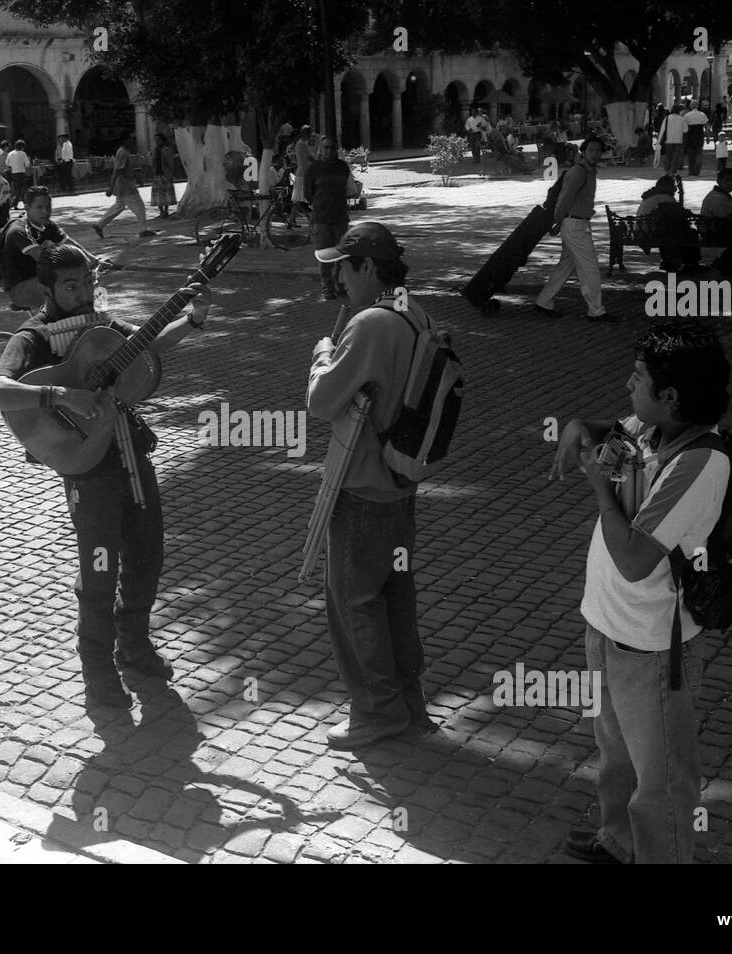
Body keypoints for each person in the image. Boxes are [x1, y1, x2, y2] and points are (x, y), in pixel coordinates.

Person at [0, 244, 210, 708]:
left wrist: (194, 318)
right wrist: (60, 394)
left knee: (147, 553)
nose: (83, 293)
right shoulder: (33, 337)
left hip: (130, 453)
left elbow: (146, 344)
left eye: (86, 282)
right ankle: (97, 668)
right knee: (100, 568)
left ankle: (135, 644)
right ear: (47, 290)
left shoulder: (100, 323)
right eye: (71, 286)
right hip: (88, 466)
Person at [550, 317, 731, 865]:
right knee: (616, 753)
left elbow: (633, 559)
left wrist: (601, 491)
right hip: (608, 626)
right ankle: (618, 840)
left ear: (670, 395)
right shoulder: (654, 429)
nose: (629, 387)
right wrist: (582, 424)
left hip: (652, 646)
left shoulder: (701, 462)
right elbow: (618, 433)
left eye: (637, 378)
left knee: (665, 777)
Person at [307, 222, 436, 749]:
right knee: (394, 595)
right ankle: (409, 702)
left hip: (360, 484)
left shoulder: (367, 324)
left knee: (354, 601)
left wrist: (320, 354)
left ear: (365, 268)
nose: (336, 274)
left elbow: (321, 402)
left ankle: (376, 711)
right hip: (400, 481)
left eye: (342, 264)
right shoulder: (414, 310)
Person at [535, 137, 610, 321]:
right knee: (590, 268)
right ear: (583, 152)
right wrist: (558, 221)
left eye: (598, 150)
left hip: (578, 224)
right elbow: (564, 199)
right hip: (574, 225)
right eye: (591, 150)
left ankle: (543, 302)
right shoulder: (579, 172)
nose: (595, 153)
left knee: (565, 267)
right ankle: (596, 310)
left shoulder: (588, 171)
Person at [304, 136, 352, 300]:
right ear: (320, 149)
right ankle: (327, 288)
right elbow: (307, 194)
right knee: (325, 255)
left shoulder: (343, 167)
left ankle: (340, 285)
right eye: (326, 147)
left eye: (332, 148)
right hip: (321, 218)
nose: (329, 151)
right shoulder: (313, 169)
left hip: (340, 217)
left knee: (341, 255)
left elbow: (347, 189)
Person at [93, 134, 155, 239]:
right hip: (126, 186)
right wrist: (111, 187)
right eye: (130, 139)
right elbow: (118, 170)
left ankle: (100, 225)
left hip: (123, 185)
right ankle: (143, 230)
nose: (132, 141)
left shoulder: (124, 152)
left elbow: (121, 169)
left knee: (119, 206)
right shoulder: (122, 153)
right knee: (139, 207)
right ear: (124, 140)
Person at [636, 175, 700, 273]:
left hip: (643, 229)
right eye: (673, 186)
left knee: (675, 230)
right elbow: (676, 216)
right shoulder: (665, 198)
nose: (675, 189)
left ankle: (669, 260)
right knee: (689, 233)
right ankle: (689, 263)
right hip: (653, 231)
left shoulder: (649, 195)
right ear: (666, 187)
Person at [290, 125, 316, 227]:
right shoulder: (302, 144)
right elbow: (311, 158)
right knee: (304, 198)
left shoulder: (301, 143)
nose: (310, 134)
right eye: (309, 132)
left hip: (302, 173)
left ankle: (292, 219)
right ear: (305, 133)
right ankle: (311, 217)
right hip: (304, 174)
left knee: (297, 199)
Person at [149, 133, 176, 218]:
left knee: (166, 193)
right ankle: (161, 211)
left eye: (158, 140)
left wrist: (171, 173)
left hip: (165, 174)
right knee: (157, 194)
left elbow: (170, 162)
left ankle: (166, 211)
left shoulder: (166, 150)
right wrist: (152, 172)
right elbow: (153, 162)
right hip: (157, 174)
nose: (157, 142)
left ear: (162, 141)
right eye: (156, 140)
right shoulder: (155, 150)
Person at [682, 101, 709, 176]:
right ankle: (697, 170)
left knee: (690, 155)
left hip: (690, 137)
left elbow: (684, 128)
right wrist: (707, 137)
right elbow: (706, 127)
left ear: (691, 106)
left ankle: (691, 171)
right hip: (699, 136)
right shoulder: (702, 114)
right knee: (698, 154)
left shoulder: (687, 115)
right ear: (697, 106)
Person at [659, 105, 687, 175]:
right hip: (678, 140)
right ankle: (673, 171)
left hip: (668, 140)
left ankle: (667, 170)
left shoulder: (667, 118)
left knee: (668, 156)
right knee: (676, 156)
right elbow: (685, 130)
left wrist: (659, 140)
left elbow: (662, 129)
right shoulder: (682, 119)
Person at [6, 139, 31, 205]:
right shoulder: (23, 153)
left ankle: (23, 201)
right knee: (21, 188)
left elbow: (7, 163)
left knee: (16, 187)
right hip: (21, 172)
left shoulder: (10, 153)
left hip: (13, 173)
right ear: (22, 147)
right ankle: (15, 202)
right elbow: (27, 164)